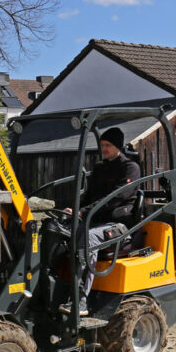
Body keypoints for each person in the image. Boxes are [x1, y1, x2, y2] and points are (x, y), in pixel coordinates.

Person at [59, 126, 141, 316]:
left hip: (119, 225)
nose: (103, 148)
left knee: (88, 238)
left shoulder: (130, 168)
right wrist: (74, 210)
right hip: (95, 220)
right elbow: (88, 196)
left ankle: (80, 301)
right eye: (102, 145)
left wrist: (83, 212)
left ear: (118, 146)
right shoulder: (100, 168)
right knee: (59, 231)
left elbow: (116, 198)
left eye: (108, 145)